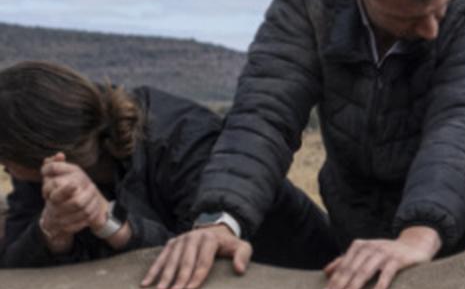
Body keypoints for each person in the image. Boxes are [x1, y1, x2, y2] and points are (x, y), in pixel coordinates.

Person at [143, 0, 465, 289]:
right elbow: (265, 113)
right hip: (358, 227)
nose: (431, 30)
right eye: (408, 18)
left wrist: (419, 236)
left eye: (439, 9)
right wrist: (219, 220)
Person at [1, 61, 332, 270]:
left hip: (294, 267)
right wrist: (52, 231)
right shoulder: (43, 171)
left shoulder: (184, 141)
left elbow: (199, 252)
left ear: (52, 152)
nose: (4, 168)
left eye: (5, 157)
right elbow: (14, 257)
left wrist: (110, 222)